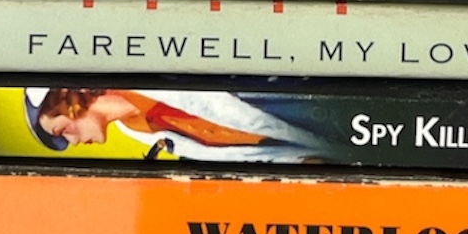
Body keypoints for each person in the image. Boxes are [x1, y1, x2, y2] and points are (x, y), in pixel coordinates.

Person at [22, 84, 329, 162]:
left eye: (63, 130)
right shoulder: (145, 136)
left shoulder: (147, 67)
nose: (74, 141)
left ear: (67, 96)